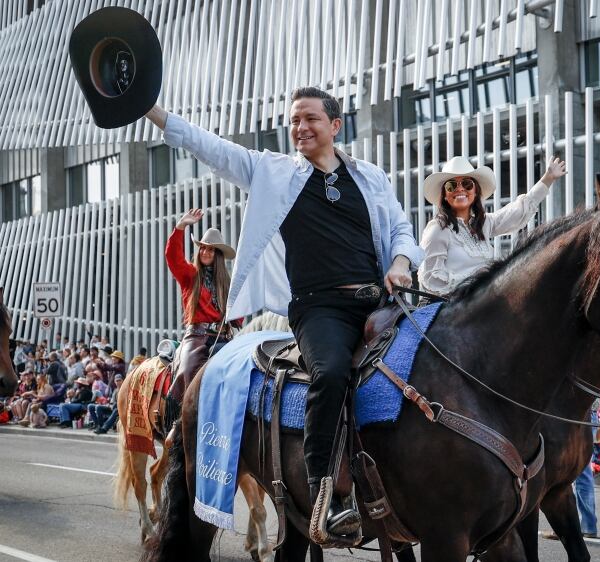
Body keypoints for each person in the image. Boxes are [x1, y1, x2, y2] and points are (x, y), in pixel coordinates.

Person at [145, 86, 422, 540]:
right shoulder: (272, 172)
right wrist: (152, 112)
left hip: (380, 302)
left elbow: (400, 228)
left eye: (311, 119)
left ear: (335, 126)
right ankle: (324, 494)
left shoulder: (370, 176)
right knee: (331, 373)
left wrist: (400, 263)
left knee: (437, 365)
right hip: (320, 309)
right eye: (294, 120)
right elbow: (209, 147)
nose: (300, 127)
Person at [418, 155, 566, 296]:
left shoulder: (483, 223)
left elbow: (515, 212)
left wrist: (547, 179)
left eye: (467, 184)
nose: (460, 189)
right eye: (451, 185)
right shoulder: (438, 228)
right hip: (450, 310)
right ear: (444, 194)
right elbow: (430, 278)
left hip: (480, 305)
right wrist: (479, 279)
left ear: (475, 192)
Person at [165, 208, 238, 403]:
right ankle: (179, 423)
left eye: (211, 249)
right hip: (197, 337)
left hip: (223, 338)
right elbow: (173, 258)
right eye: (203, 248)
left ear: (218, 254)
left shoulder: (226, 283)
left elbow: (237, 314)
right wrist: (181, 226)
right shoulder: (190, 275)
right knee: (187, 371)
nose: (205, 252)